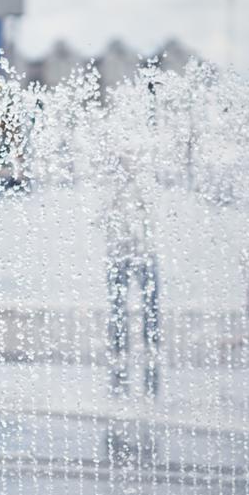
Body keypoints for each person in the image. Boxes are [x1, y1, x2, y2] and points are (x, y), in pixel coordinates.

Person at [102, 170, 161, 397]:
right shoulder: (111, 189)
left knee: (150, 304)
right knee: (118, 305)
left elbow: (154, 216)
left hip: (144, 253)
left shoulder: (145, 186)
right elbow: (101, 219)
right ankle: (119, 347)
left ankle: (150, 346)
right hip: (119, 254)